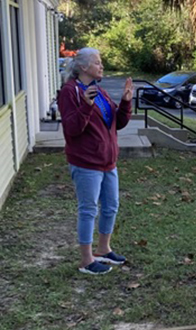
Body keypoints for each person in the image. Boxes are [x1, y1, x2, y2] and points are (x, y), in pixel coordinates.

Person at [58, 48, 133, 275]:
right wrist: (85, 106)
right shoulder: (70, 92)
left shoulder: (97, 91)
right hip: (86, 162)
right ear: (83, 67)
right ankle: (86, 260)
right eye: (97, 63)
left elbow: (116, 123)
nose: (101, 66)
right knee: (88, 209)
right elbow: (72, 129)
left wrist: (126, 102)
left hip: (108, 160)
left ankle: (103, 249)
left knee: (111, 206)